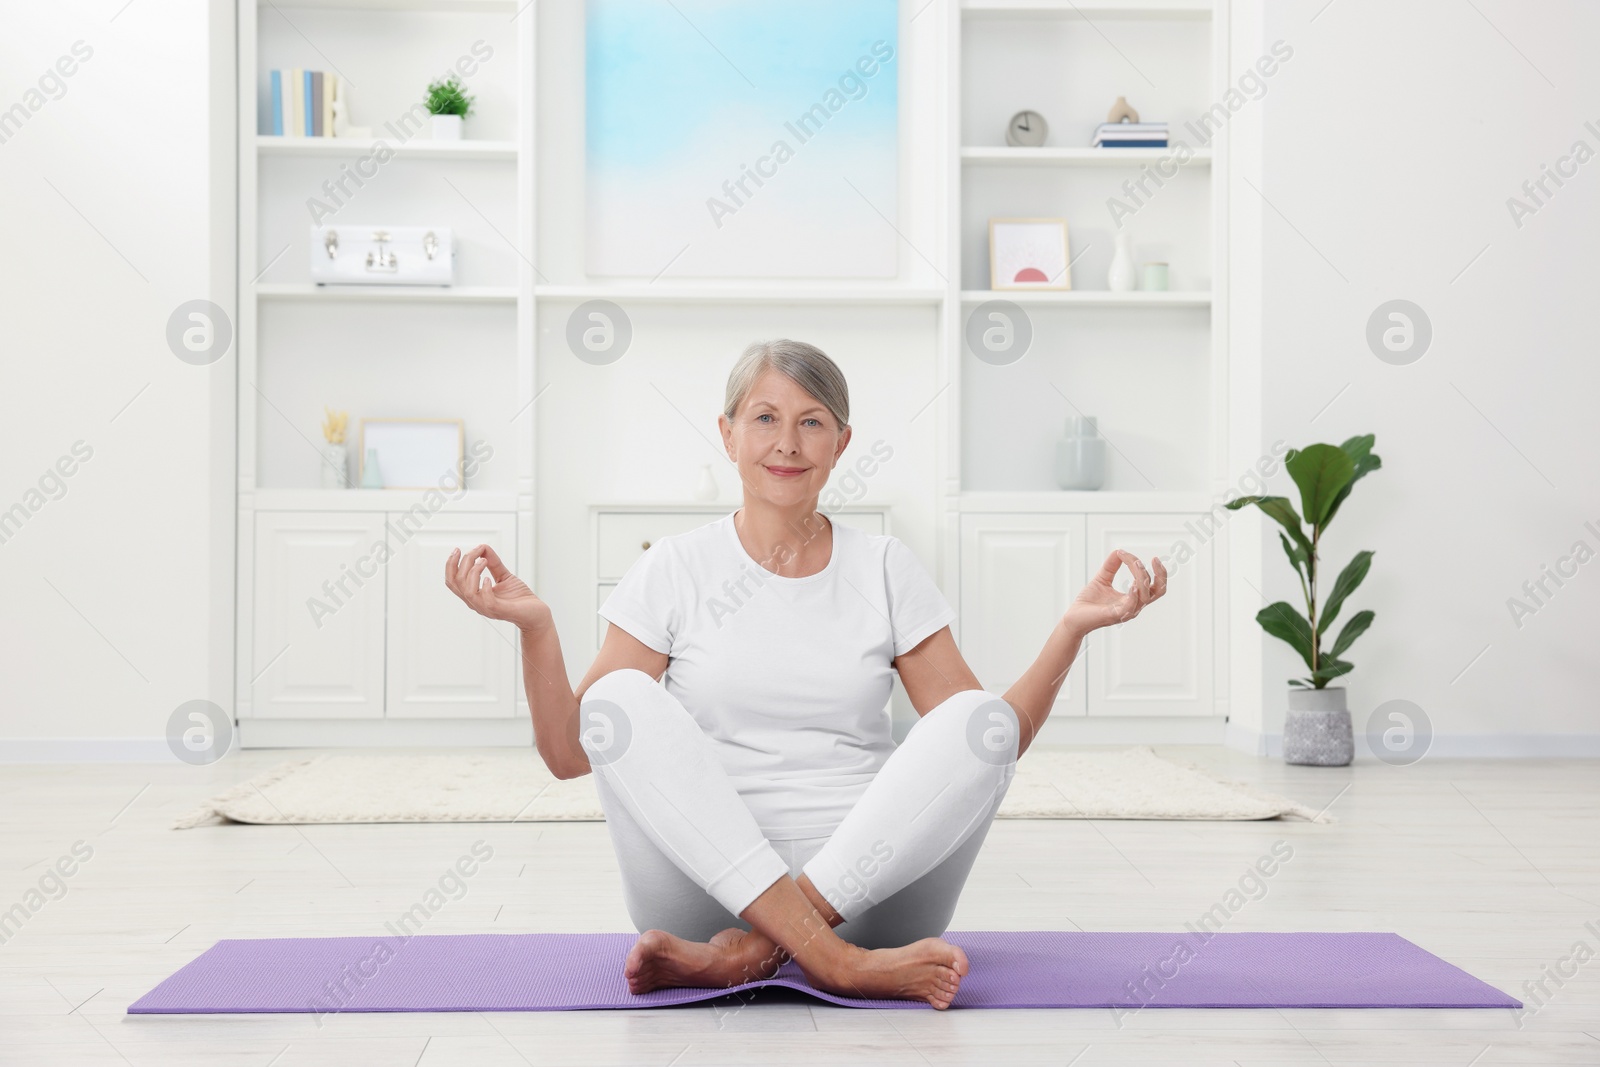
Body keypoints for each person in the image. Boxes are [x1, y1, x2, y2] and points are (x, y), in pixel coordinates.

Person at [444, 338, 1168, 1008]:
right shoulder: (673, 567)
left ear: (841, 443)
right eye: (764, 418)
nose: (787, 443)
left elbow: (981, 744)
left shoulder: (883, 567)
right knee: (621, 697)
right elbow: (573, 753)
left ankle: (757, 954)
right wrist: (536, 628)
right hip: (702, 894)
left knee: (982, 717)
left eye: (812, 422)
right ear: (727, 434)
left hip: (874, 897)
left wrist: (1071, 629)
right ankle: (838, 965)